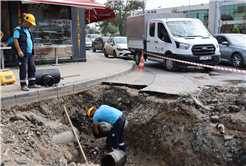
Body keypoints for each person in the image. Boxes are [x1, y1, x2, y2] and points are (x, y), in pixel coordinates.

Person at [10, 13, 41, 91]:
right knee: (24, 68)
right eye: (30, 24)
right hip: (23, 53)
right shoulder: (18, 29)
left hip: (29, 53)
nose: (31, 26)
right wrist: (19, 51)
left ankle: (32, 83)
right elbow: (15, 39)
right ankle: (23, 85)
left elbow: (30, 41)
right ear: (26, 22)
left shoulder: (28, 30)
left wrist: (32, 51)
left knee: (32, 68)